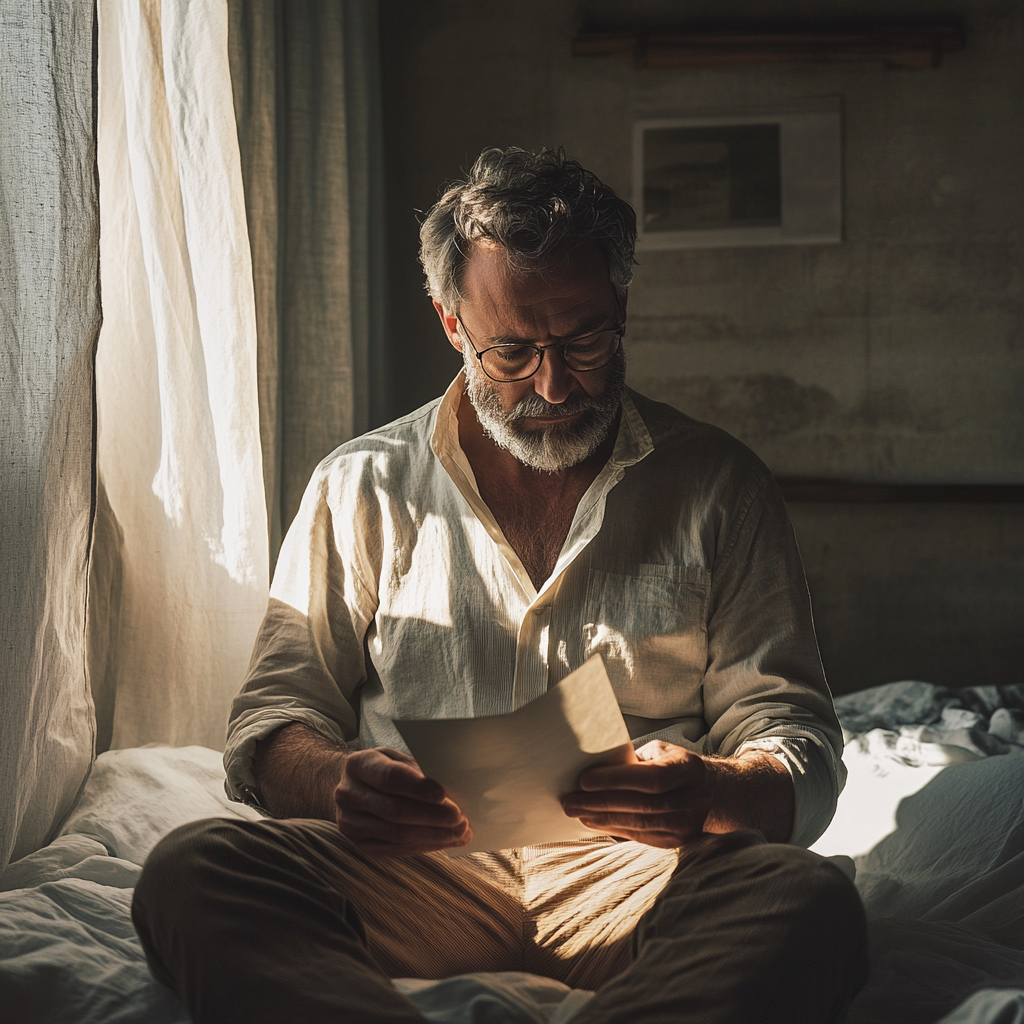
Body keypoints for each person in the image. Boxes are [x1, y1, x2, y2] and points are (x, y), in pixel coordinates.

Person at [132, 147, 868, 1024]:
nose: (554, 385)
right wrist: (333, 781)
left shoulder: (718, 484)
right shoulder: (361, 485)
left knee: (807, 899)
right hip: (412, 869)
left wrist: (714, 790)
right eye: (512, 351)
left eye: (585, 339)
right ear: (452, 324)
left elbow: (789, 730)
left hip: (635, 869)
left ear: (621, 304)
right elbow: (274, 720)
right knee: (193, 870)